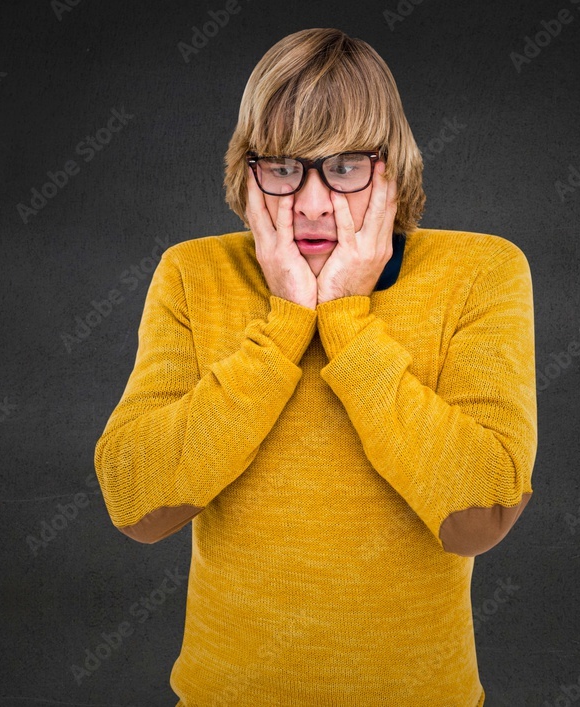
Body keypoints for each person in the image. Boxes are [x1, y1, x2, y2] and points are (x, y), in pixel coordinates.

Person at [94, 27, 536, 706]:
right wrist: (284, 326)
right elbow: (135, 500)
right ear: (250, 174)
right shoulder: (192, 274)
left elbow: (483, 510)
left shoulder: (482, 273)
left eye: (344, 166)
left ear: (393, 169)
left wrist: (348, 323)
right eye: (282, 167)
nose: (309, 202)